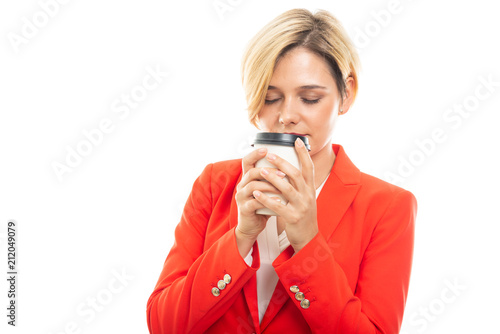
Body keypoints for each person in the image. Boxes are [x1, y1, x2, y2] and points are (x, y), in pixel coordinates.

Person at [147, 8, 417, 334]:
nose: (287, 115)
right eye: (271, 97)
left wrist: (307, 243)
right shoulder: (215, 184)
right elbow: (164, 326)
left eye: (310, 98)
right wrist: (240, 238)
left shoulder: (388, 207)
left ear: (347, 93)